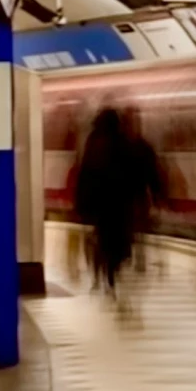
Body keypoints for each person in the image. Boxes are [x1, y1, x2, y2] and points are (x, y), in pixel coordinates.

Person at [69, 105, 164, 302]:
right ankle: (116, 270)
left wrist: (81, 205)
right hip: (122, 204)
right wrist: (153, 194)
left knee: (103, 240)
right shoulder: (126, 144)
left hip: (102, 204)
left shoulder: (94, 143)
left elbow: (85, 174)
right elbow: (142, 170)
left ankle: (107, 276)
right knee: (120, 241)